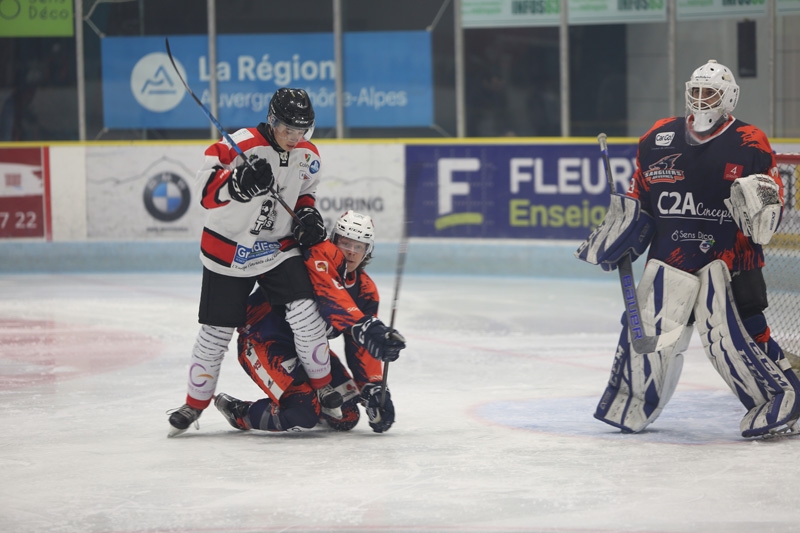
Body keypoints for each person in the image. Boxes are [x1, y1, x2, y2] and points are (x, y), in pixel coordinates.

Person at [576, 59, 800, 438]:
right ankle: (630, 401)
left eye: (709, 92)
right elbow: (642, 198)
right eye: (694, 91)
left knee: (735, 337)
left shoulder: (749, 141)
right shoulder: (657, 137)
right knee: (647, 332)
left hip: (729, 262)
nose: (700, 99)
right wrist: (626, 230)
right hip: (669, 259)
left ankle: (783, 401)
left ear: (728, 97)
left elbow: (769, 212)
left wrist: (762, 205)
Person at [167, 88, 341, 437]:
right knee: (216, 332)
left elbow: (306, 191)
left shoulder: (307, 154)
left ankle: (323, 386)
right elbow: (204, 193)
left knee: (305, 312)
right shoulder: (238, 144)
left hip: (277, 247)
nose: (295, 138)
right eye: (288, 129)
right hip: (229, 251)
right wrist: (238, 185)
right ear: (272, 120)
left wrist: (307, 214)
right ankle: (194, 404)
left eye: (302, 131)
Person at [214, 210, 406, 433]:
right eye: (345, 243)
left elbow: (360, 347)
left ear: (368, 251)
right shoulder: (315, 260)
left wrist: (373, 387)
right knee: (302, 411)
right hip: (264, 340)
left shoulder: (365, 291)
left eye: (359, 247)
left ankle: (307, 400)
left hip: (312, 352)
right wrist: (367, 327)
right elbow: (333, 301)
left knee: (347, 415)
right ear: (333, 241)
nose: (351, 253)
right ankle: (241, 413)